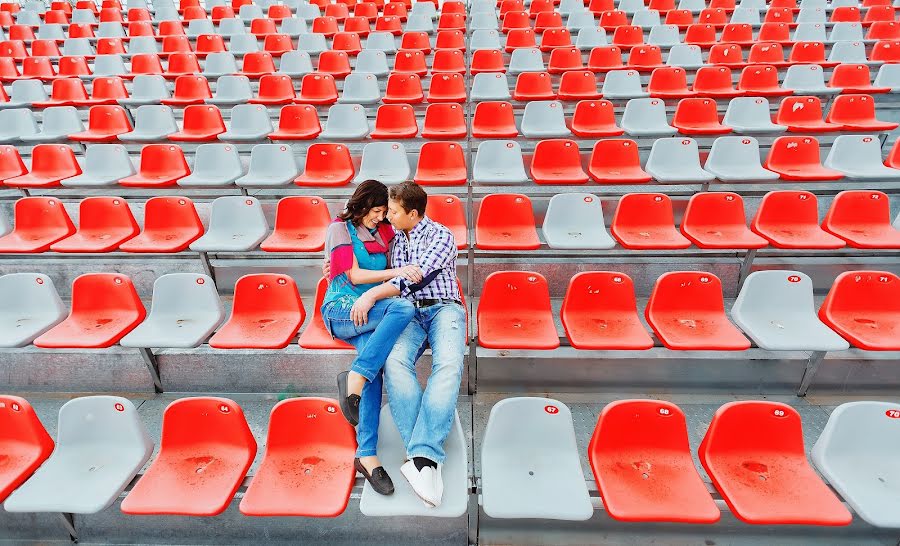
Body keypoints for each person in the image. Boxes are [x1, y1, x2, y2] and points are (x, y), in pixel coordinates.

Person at [349, 181, 465, 508]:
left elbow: (414, 278)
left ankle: (423, 459)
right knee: (393, 362)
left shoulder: (440, 236)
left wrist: (372, 293)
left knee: (449, 365)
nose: (388, 216)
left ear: (412, 213)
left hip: (444, 307)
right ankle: (424, 458)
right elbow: (356, 243)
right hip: (410, 313)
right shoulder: (395, 239)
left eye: (395, 212)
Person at [321, 180, 422, 496]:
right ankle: (356, 375)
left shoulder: (385, 233)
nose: (382, 217)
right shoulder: (339, 228)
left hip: (373, 310)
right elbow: (353, 276)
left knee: (398, 316)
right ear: (363, 206)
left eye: (384, 212)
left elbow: (400, 263)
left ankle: (366, 455)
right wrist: (398, 271)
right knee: (402, 309)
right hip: (343, 307)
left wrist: (400, 270)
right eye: (377, 211)